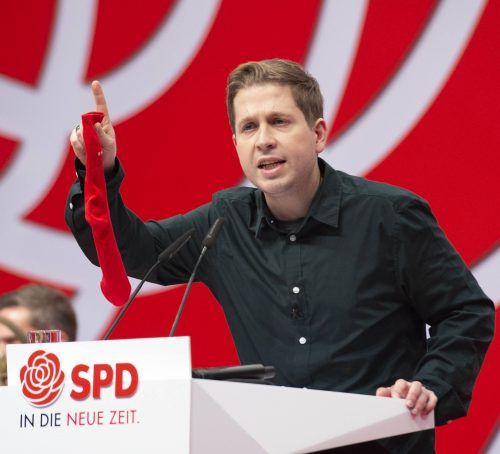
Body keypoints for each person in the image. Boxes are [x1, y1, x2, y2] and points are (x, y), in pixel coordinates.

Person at [65, 59, 494, 453]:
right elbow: (132, 252)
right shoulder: (225, 222)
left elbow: (466, 311)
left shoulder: (390, 217)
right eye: (249, 127)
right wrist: (97, 171)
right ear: (236, 143)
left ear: (319, 133)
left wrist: (429, 384)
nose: (264, 140)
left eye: (279, 121)